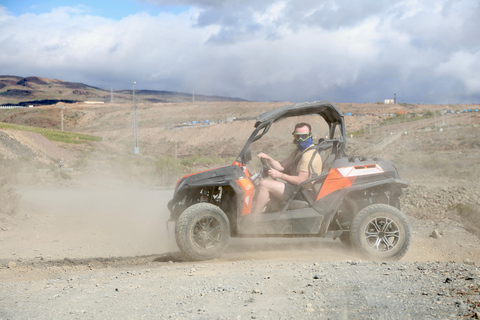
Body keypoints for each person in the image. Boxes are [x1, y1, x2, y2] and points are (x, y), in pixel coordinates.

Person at [251, 122, 323, 215]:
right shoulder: (299, 152)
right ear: (294, 137)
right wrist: (269, 159)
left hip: (304, 193)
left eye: (304, 136)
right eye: (298, 136)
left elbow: (300, 180)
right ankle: (260, 214)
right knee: (260, 189)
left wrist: (279, 175)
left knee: (264, 184)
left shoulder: (308, 155)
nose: (301, 139)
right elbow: (281, 166)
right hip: (298, 188)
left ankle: (253, 219)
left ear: (310, 135)